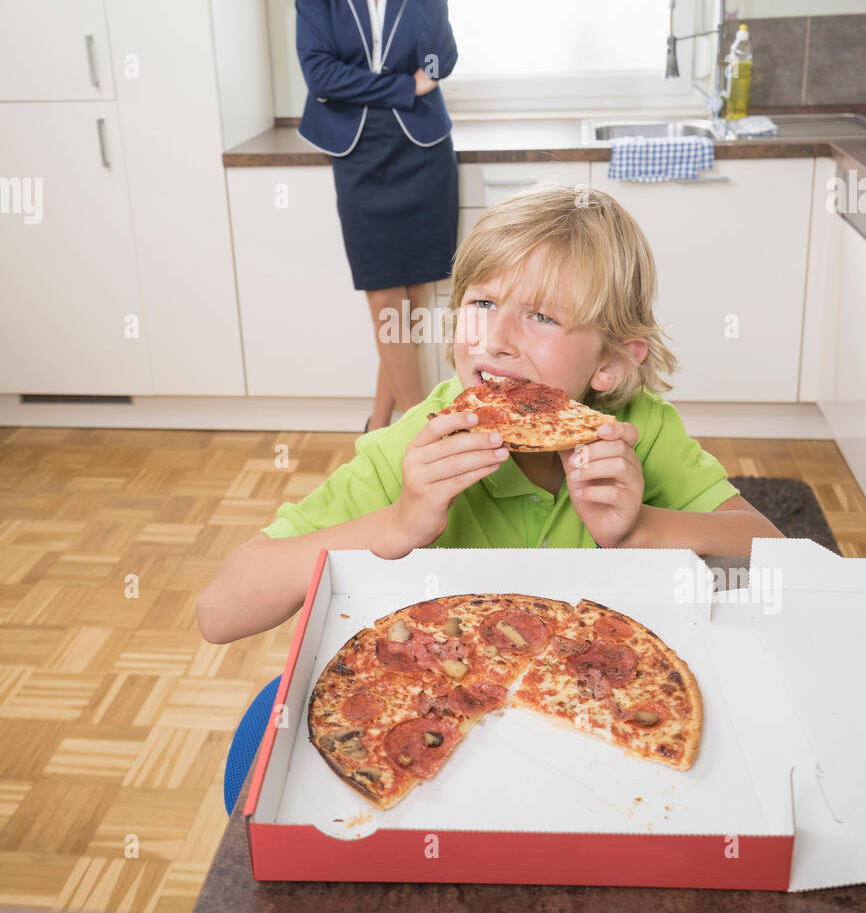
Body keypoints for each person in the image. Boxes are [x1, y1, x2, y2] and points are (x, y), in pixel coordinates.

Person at [197, 186, 785, 645]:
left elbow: (772, 553)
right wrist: (399, 524)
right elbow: (219, 611)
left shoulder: (641, 430)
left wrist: (641, 530)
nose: (495, 339)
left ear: (607, 364)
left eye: (543, 317)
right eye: (481, 303)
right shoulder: (415, 446)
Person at [294, 0, 458, 432]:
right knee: (385, 297)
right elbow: (321, 74)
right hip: (360, 153)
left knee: (414, 303)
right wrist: (400, 85)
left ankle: (377, 425)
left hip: (423, 150)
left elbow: (440, 64)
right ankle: (419, 437)